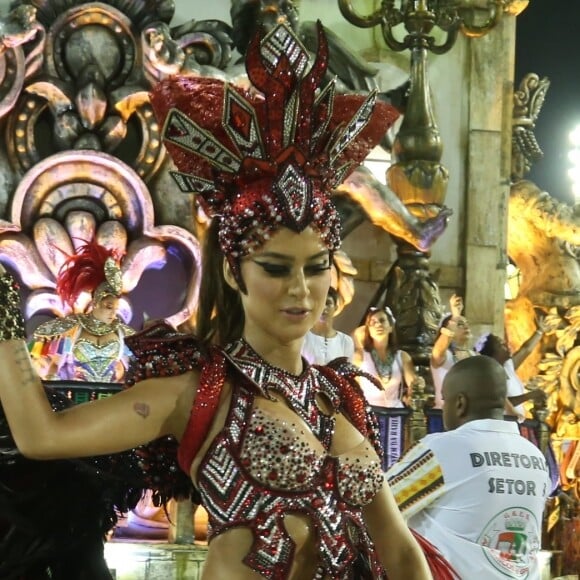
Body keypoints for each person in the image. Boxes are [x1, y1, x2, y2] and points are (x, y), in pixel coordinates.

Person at [0, 23, 451, 580]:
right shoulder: (200, 390)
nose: (301, 289)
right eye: (276, 268)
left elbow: (401, 552)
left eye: (315, 268)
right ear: (235, 272)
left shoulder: (338, 396)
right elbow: (42, 437)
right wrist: (2, 320)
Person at [386, 356, 551, 579]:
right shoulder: (536, 456)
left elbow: (378, 506)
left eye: (445, 401)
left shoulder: (442, 449)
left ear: (460, 403)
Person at [29, 241, 134, 384]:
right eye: (109, 307)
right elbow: (52, 361)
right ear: (96, 303)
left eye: (116, 309)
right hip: (79, 396)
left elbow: (134, 366)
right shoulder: (73, 327)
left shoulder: (122, 332)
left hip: (110, 398)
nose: (113, 313)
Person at [354, 306, 425, 408]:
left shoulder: (402, 356)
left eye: (382, 320)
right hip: (368, 412)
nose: (378, 324)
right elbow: (353, 387)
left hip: (395, 412)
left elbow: (413, 385)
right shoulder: (359, 356)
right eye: (373, 322)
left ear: (391, 327)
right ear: (368, 330)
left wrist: (417, 386)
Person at [474, 325, 548, 419]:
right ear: (492, 354)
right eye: (501, 345)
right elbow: (499, 403)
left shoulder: (507, 366)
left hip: (518, 421)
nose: (506, 345)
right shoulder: (490, 375)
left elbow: (525, 350)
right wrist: (529, 396)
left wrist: (540, 331)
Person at [430, 294, 474, 409]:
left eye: (466, 323)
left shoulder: (474, 355)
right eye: (460, 324)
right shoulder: (444, 355)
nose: (465, 326)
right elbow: (438, 352)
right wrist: (455, 316)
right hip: (445, 413)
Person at [301, 286, 355, 364]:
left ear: (336, 307)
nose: (323, 308)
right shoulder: (302, 337)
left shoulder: (346, 341)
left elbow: (348, 371)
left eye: (328, 303)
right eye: (320, 303)